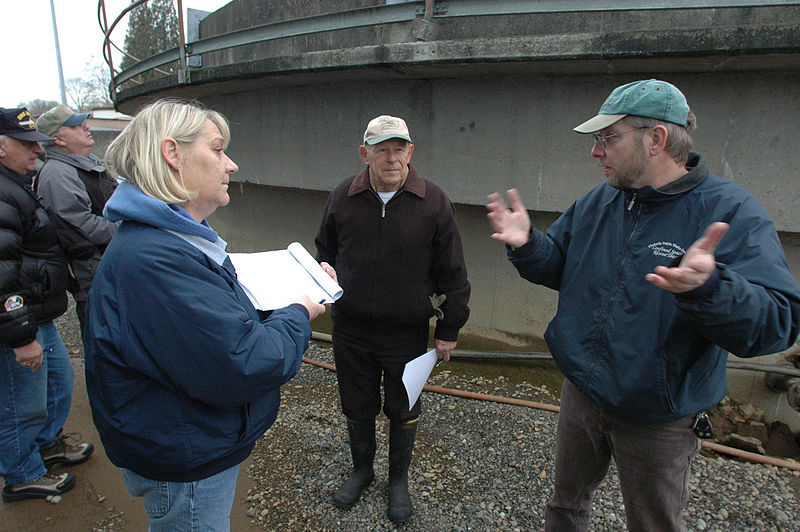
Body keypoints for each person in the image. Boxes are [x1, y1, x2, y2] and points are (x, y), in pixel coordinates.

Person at [486, 79, 800, 531]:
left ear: (657, 139)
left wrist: (711, 287)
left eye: (608, 138)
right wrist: (530, 245)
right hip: (583, 393)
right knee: (565, 507)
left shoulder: (730, 212)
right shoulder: (602, 200)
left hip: (659, 416)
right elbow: (562, 269)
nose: (596, 152)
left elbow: (777, 325)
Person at [82, 99, 325, 531]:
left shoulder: (172, 240)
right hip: (184, 456)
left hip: (184, 439)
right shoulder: (157, 259)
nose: (230, 165)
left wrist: (288, 291)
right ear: (172, 153)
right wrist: (300, 311)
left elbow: (211, 323)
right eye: (217, 149)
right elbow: (243, 362)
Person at [315, 114, 471, 523]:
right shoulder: (342, 198)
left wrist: (448, 331)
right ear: (364, 154)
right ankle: (362, 470)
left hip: (406, 332)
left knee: (404, 407)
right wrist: (325, 273)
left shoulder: (433, 202)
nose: (391, 157)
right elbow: (324, 251)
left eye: (398, 148)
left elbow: (453, 272)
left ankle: (397, 480)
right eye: (381, 149)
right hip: (350, 329)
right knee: (357, 403)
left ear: (411, 152)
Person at [0, 108, 94, 503]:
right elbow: (3, 270)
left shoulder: (17, 183)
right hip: (21, 322)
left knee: (58, 384)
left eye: (35, 141)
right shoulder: (3, 192)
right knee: (21, 402)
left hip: (40, 313)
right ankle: (21, 474)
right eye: (25, 144)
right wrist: (21, 335)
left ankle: (45, 446)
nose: (35, 150)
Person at [35, 105, 117, 336]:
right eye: (76, 125)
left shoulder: (87, 164)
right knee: (105, 342)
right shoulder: (58, 174)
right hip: (94, 272)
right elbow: (80, 225)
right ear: (57, 139)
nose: (86, 127)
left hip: (108, 265)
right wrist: (127, 228)